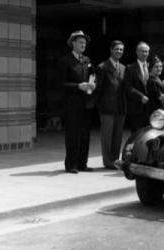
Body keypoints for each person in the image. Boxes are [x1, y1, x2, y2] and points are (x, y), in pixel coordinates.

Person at [59, 30, 96, 174]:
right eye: (80, 42)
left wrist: (93, 84)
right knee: (73, 135)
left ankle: (82, 164)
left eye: (84, 43)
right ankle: (71, 165)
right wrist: (77, 86)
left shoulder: (87, 60)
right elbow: (61, 84)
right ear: (72, 43)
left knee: (85, 134)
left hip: (86, 103)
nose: (83, 45)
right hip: (72, 105)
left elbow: (93, 75)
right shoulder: (65, 61)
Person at [94, 40, 126, 169]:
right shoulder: (102, 67)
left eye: (121, 50)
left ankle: (115, 160)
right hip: (107, 108)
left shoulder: (124, 68)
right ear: (111, 50)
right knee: (107, 137)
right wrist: (99, 106)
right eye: (117, 49)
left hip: (120, 107)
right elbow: (98, 89)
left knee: (118, 136)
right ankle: (108, 162)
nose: (119, 52)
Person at [124, 41, 151, 133]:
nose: (145, 54)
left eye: (146, 51)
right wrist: (140, 96)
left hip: (150, 109)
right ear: (137, 52)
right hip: (136, 109)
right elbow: (127, 87)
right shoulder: (130, 68)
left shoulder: (151, 67)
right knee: (137, 135)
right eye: (142, 51)